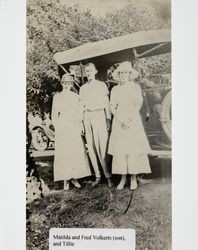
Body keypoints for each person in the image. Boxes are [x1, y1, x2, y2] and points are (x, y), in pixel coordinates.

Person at [108, 61, 151, 190]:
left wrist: (129, 118)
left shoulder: (135, 88)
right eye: (121, 73)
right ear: (118, 75)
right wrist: (120, 119)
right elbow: (112, 105)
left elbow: (138, 104)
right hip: (119, 120)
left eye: (125, 73)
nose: (123, 75)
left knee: (132, 148)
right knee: (121, 149)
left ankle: (133, 178)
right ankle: (123, 178)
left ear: (129, 74)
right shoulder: (115, 89)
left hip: (132, 120)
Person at [51, 74, 91, 190]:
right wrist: (57, 126)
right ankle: (66, 179)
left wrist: (79, 124)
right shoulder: (57, 97)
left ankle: (75, 177)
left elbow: (79, 112)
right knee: (64, 152)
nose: (67, 85)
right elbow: (54, 114)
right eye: (65, 83)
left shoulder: (75, 96)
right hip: (62, 126)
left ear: (71, 84)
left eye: (69, 83)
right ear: (62, 83)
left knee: (74, 151)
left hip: (73, 126)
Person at [79, 63, 113, 187]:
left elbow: (106, 104)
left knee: (102, 146)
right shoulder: (83, 88)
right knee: (92, 148)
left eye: (90, 70)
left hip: (99, 115)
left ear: (95, 71)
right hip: (87, 116)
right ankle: (98, 176)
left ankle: (108, 176)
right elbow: (81, 107)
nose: (88, 73)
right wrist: (82, 122)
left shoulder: (101, 85)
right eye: (86, 71)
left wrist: (108, 119)